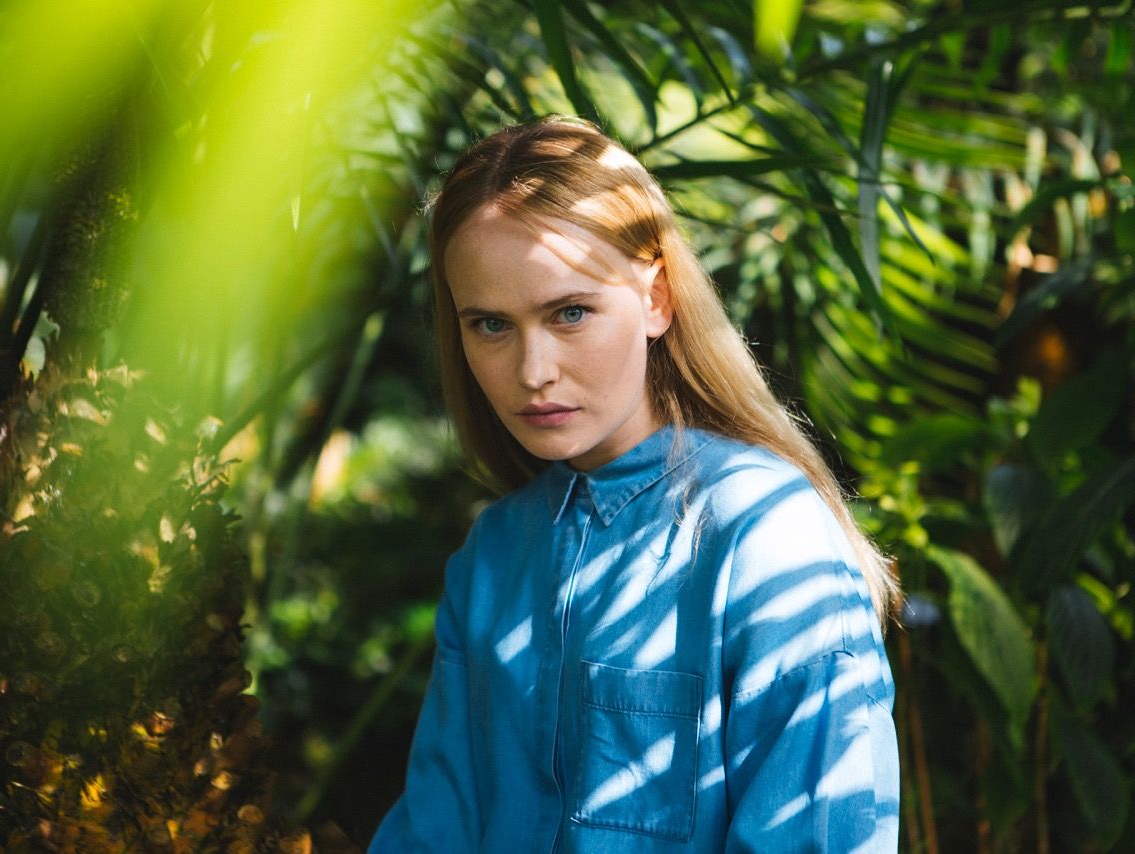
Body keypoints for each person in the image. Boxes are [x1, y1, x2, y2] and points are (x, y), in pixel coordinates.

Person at [369, 117, 901, 853]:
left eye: (571, 313)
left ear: (656, 298)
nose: (533, 370)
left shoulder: (767, 534)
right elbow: (435, 831)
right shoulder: (494, 554)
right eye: (491, 325)